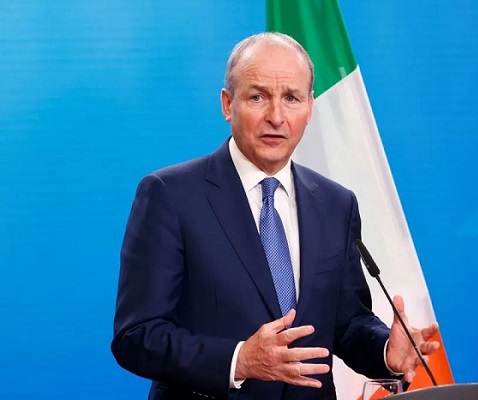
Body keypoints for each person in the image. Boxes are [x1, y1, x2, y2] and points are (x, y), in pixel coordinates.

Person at [111, 32, 439, 400]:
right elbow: (136, 335)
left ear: (310, 108)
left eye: (291, 98)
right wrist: (238, 361)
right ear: (227, 104)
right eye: (258, 97)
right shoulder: (170, 195)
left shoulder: (336, 203)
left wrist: (386, 351)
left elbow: (347, 323)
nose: (276, 117)